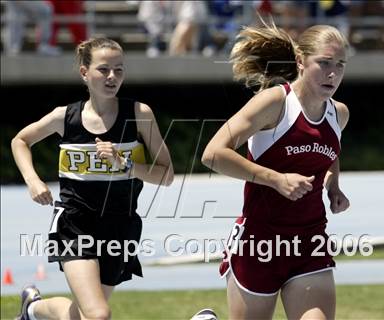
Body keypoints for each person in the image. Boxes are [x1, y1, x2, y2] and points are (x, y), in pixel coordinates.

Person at [11, 37, 174, 320]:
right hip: (75, 222)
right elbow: (20, 141)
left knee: (85, 316)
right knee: (98, 314)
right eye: (104, 69)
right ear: (84, 72)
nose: (112, 76)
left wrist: (126, 166)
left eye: (119, 70)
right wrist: (33, 180)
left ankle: (33, 309)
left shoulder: (139, 114)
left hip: (120, 225)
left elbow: (167, 175)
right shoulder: (65, 117)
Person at [201, 21, 350, 320]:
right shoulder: (275, 103)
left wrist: (333, 186)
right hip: (259, 242)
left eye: (340, 65)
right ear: (300, 62)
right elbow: (213, 154)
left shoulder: (339, 113)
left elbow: (328, 156)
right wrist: (276, 179)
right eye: (323, 63)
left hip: (310, 242)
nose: (333, 73)